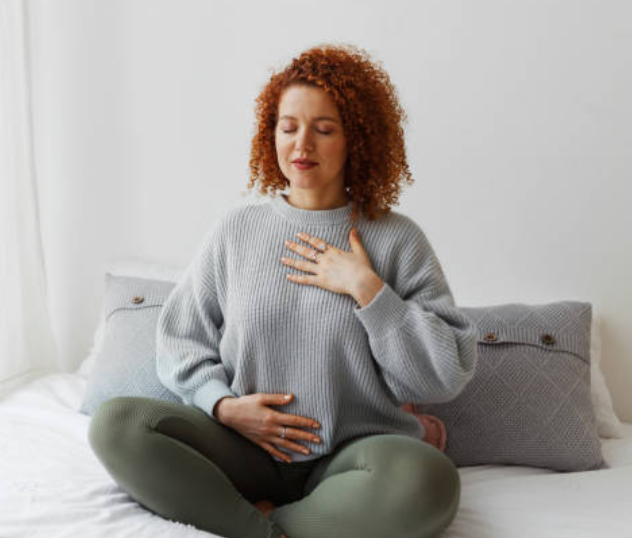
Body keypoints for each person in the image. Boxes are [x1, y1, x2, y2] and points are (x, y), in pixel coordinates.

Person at [89, 43, 478, 538]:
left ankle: (260, 521)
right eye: (288, 127)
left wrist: (368, 290)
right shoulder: (236, 230)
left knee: (430, 481)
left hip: (352, 457)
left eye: (324, 129)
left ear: (356, 138)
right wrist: (223, 406)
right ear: (270, 132)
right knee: (117, 424)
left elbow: (446, 373)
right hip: (242, 447)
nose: (302, 146)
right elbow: (180, 339)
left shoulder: (396, 238)